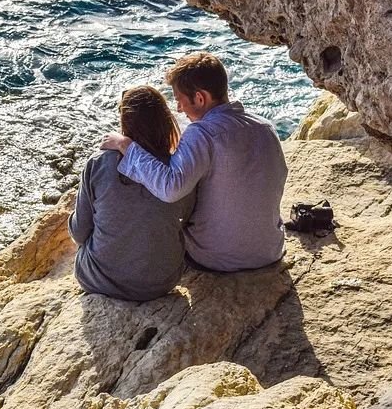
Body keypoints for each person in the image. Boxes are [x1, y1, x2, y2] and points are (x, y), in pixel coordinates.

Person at [101, 52, 287, 272]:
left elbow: (170, 188)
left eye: (179, 100)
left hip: (217, 258)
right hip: (269, 251)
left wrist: (126, 146)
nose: (178, 109)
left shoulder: (201, 133)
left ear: (200, 98)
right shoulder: (265, 127)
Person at [69, 86, 195, 301]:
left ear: (125, 123)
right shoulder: (178, 170)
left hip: (100, 280)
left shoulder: (100, 162)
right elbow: (186, 219)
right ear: (165, 121)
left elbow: (79, 232)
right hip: (161, 283)